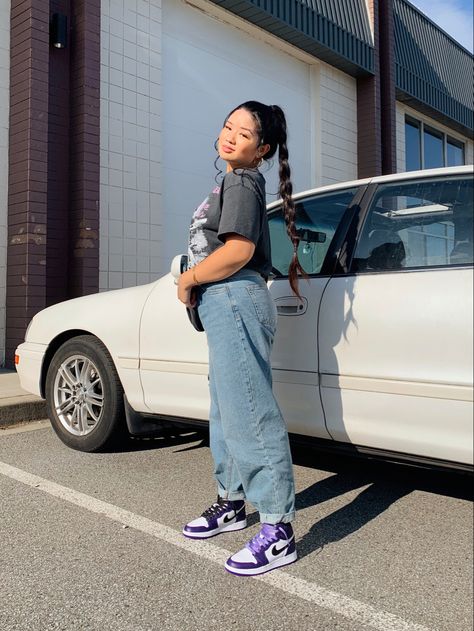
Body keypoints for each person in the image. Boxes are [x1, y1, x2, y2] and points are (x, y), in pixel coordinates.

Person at [177, 101, 307, 576]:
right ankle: (232, 500)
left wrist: (188, 280)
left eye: (244, 133)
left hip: (233, 297)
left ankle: (277, 530)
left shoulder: (242, 181)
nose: (230, 136)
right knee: (227, 407)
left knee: (250, 410)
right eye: (228, 126)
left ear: (262, 149)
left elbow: (239, 250)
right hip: (226, 303)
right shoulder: (233, 180)